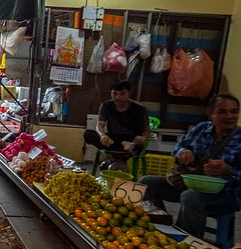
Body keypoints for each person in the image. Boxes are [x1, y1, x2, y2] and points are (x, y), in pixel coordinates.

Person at [139, 94, 241, 238]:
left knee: (190, 197)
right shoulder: (201, 129)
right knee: (145, 183)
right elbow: (178, 147)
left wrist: (228, 170)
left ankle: (186, 243)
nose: (230, 116)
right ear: (210, 115)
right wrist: (183, 152)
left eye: (234, 111)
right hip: (190, 184)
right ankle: (162, 229)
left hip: (224, 196)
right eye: (222, 112)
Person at [84, 80, 149, 156]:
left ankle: (124, 147)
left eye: (122, 94)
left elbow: (146, 130)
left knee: (136, 144)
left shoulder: (139, 108)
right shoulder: (106, 106)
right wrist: (102, 135)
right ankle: (122, 145)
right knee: (88, 134)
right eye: (114, 94)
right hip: (112, 138)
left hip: (131, 139)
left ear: (129, 93)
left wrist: (142, 138)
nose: (118, 97)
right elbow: (100, 125)